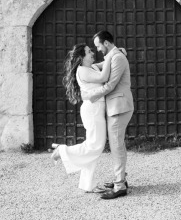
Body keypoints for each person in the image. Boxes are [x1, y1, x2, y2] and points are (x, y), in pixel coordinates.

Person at [51, 43, 114, 193]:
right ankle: (63, 151)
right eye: (88, 52)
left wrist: (116, 53)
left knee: (92, 146)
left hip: (95, 109)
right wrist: (112, 55)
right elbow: (104, 76)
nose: (92, 53)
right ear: (81, 58)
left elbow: (104, 64)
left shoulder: (90, 67)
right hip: (92, 110)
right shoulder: (83, 70)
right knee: (94, 146)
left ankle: (88, 185)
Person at [82, 31, 134, 200]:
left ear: (106, 43)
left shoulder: (117, 57)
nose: (97, 49)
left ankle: (119, 186)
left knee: (117, 145)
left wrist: (92, 95)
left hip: (119, 106)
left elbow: (111, 85)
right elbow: (101, 66)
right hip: (116, 106)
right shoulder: (113, 55)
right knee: (118, 144)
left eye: (98, 46)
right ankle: (121, 180)